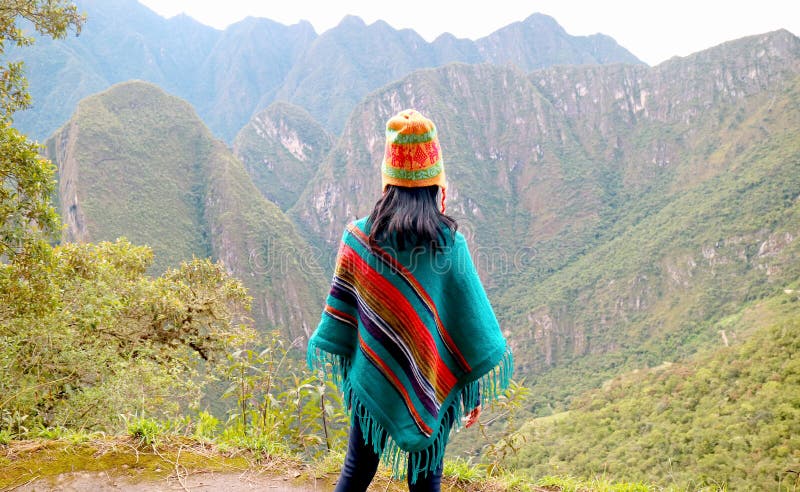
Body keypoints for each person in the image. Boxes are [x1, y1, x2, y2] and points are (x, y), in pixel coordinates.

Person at [307, 109, 512, 491]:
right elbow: (469, 327)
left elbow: (350, 320)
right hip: (429, 384)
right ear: (437, 182)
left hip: (373, 379)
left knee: (356, 470)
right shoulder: (449, 246)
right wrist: (470, 388)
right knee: (425, 479)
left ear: (388, 179)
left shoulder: (357, 240)